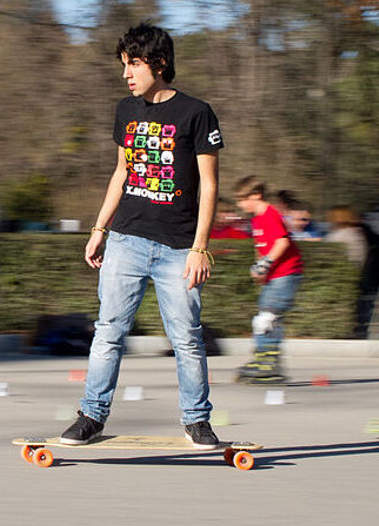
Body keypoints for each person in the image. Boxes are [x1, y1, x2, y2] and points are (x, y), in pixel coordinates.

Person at [60, 23, 224, 449]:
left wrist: (201, 247)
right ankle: (91, 415)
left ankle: (197, 421)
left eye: (133, 64)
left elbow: (209, 184)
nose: (126, 74)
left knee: (187, 338)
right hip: (126, 239)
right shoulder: (125, 111)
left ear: (160, 63)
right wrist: (99, 228)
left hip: (178, 248)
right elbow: (122, 172)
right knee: (109, 331)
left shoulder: (196, 113)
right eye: (124, 65)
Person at [234, 176, 303, 383]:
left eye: (242, 199)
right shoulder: (255, 219)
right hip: (274, 275)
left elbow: (282, 242)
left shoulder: (270, 214)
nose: (240, 204)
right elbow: (261, 247)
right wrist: (260, 268)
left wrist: (265, 264)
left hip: (286, 273)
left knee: (267, 319)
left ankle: (270, 363)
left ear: (256, 195)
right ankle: (263, 357)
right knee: (264, 318)